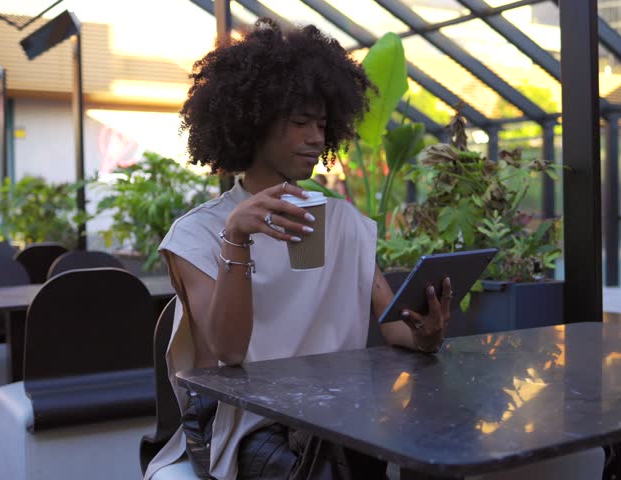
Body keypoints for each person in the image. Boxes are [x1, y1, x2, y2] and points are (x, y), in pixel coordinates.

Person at [145, 18, 451, 480]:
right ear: (253, 124)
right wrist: (238, 239)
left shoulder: (344, 222)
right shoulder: (199, 234)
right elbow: (229, 351)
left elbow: (394, 330)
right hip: (252, 426)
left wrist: (426, 333)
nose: (316, 138)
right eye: (300, 123)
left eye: (323, 124)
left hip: (343, 415)